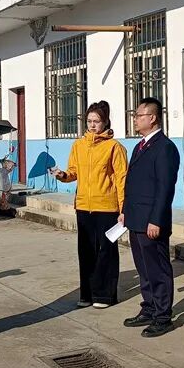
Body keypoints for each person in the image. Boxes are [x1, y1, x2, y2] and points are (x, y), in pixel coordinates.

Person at [55, 101, 128, 309]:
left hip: (107, 207)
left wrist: (124, 209)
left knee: (106, 251)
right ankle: (86, 294)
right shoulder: (78, 145)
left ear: (105, 123)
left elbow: (122, 179)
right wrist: (63, 175)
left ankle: (104, 296)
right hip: (83, 207)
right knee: (86, 251)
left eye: (97, 121)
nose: (93, 125)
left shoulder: (114, 147)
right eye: (89, 121)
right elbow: (73, 172)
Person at [119, 97, 180, 337]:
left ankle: (163, 316)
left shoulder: (164, 148)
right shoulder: (140, 146)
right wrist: (125, 211)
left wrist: (156, 219)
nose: (135, 119)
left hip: (151, 221)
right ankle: (149, 307)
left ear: (152, 118)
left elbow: (165, 188)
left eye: (139, 115)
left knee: (158, 270)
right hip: (136, 218)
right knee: (144, 268)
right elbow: (132, 183)